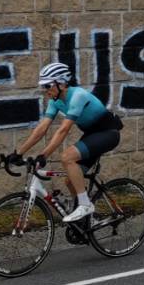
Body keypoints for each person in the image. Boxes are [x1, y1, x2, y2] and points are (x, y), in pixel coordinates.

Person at [12, 62, 121, 223]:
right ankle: (86, 220)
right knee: (70, 180)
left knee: (67, 157)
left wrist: (44, 155)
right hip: (92, 135)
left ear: (61, 84)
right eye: (44, 86)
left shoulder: (78, 96)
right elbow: (42, 128)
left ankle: (85, 205)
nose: (46, 90)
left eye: (48, 85)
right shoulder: (55, 101)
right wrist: (18, 153)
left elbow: (63, 130)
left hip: (108, 133)